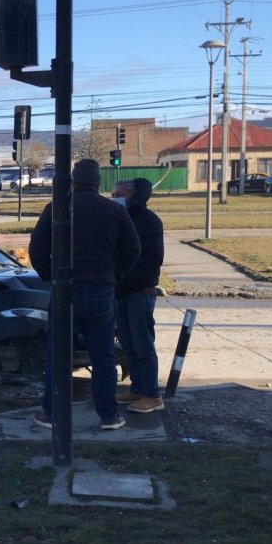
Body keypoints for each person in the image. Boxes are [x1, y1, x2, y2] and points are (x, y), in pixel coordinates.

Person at [28, 159, 140, 432]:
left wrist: (50, 276)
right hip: (102, 289)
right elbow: (133, 249)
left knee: (59, 354)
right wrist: (114, 274)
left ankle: (51, 413)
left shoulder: (56, 209)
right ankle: (109, 415)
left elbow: (37, 249)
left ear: (73, 181)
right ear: (98, 182)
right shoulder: (114, 210)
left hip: (66, 289)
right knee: (103, 357)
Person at [114, 177, 165, 414]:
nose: (115, 197)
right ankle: (137, 387)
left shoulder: (149, 221)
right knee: (128, 343)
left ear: (134, 196)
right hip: (121, 290)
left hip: (139, 290)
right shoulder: (121, 218)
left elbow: (153, 258)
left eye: (120, 194)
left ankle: (152, 394)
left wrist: (125, 275)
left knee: (143, 343)